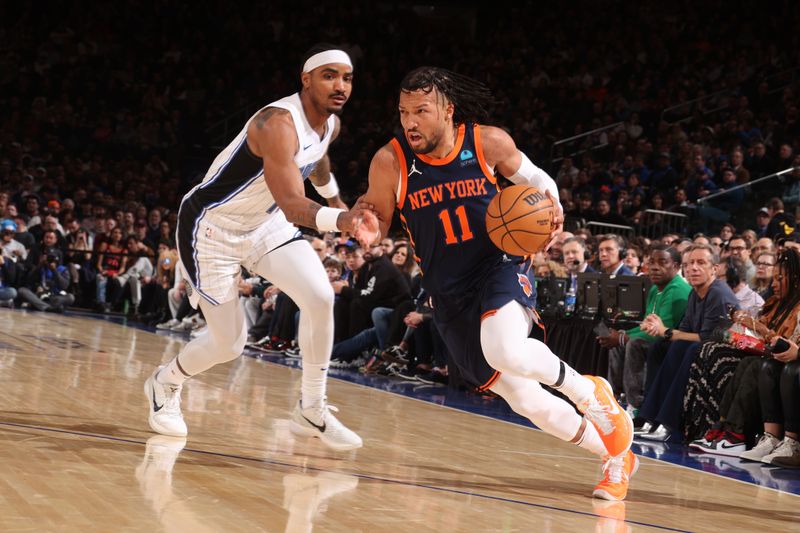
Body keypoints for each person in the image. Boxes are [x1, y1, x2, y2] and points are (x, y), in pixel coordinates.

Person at [355, 67, 635, 500]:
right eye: (403, 111)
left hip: (498, 264)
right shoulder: (390, 161)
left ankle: (590, 391)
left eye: (421, 111)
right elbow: (377, 214)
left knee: (505, 348)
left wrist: (553, 204)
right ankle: (616, 457)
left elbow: (537, 179)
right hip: (448, 291)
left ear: (447, 110)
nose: (410, 121)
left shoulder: (487, 142)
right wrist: (366, 224)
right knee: (526, 401)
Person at [143, 44, 376, 452]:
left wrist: (337, 200)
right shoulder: (276, 123)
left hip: (263, 224)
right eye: (329, 76)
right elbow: (291, 203)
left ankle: (312, 406)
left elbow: (318, 162)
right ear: (306, 80)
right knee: (228, 344)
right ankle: (164, 382)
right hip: (211, 227)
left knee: (321, 297)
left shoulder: (330, 125)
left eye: (347, 77)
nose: (340, 85)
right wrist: (343, 221)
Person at [599, 245, 690, 420]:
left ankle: (637, 406)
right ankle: (615, 400)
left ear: (677, 266)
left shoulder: (678, 290)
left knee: (634, 343)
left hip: (673, 342)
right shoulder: (656, 288)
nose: (655, 267)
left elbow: (661, 331)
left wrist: (623, 337)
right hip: (659, 339)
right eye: (651, 262)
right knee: (618, 342)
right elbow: (645, 325)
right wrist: (619, 335)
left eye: (662, 262)